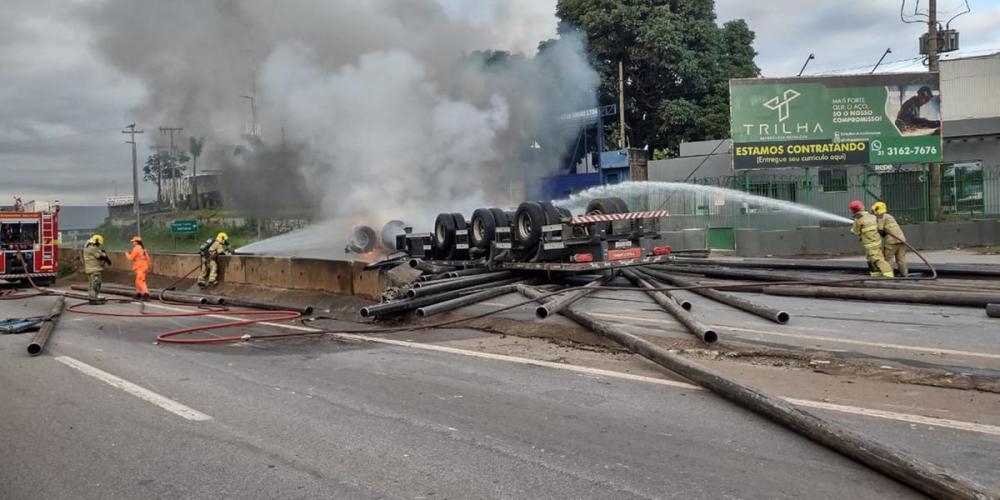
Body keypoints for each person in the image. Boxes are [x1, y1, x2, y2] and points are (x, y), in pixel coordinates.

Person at [849, 200, 893, 278]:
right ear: (862, 207)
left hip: (870, 244)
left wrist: (853, 228)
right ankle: (876, 275)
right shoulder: (872, 216)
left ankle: (889, 276)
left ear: (852, 210)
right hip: (877, 241)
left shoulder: (858, 220)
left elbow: (855, 232)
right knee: (871, 259)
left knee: (877, 259)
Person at [872, 201, 908, 278]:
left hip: (892, 241)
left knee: (888, 259)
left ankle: (889, 276)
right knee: (901, 259)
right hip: (901, 239)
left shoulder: (881, 217)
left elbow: (880, 229)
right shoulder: (889, 216)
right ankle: (904, 275)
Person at [83, 234, 112, 304]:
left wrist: (103, 253)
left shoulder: (88, 246)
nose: (99, 245)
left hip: (90, 269)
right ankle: (93, 300)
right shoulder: (92, 248)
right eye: (98, 243)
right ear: (96, 241)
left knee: (91, 285)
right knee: (96, 284)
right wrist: (107, 258)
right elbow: (100, 256)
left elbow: (98, 254)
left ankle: (92, 298)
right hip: (94, 270)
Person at [126, 235, 151, 300]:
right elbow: (148, 258)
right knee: (138, 281)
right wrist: (148, 266)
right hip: (143, 267)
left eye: (133, 241)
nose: (132, 243)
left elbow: (131, 258)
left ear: (137, 242)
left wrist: (127, 254)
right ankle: (139, 293)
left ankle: (146, 294)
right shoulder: (142, 248)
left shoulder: (136, 248)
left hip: (140, 267)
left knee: (140, 281)